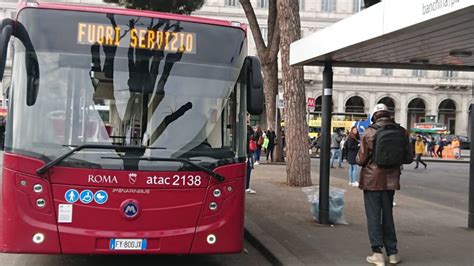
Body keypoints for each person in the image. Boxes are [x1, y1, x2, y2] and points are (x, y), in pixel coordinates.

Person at [356, 103, 412, 266]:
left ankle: (377, 253)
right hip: (391, 180)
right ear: (388, 115)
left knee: (374, 215)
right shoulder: (401, 132)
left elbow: (360, 159)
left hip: (372, 180)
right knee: (388, 215)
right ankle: (393, 253)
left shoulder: (369, 132)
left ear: (374, 116)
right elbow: (408, 158)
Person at [246, 124, 256, 194]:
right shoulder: (249, 135)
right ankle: (246, 187)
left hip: (247, 154)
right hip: (248, 154)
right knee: (248, 170)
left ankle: (246, 186)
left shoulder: (244, 135)